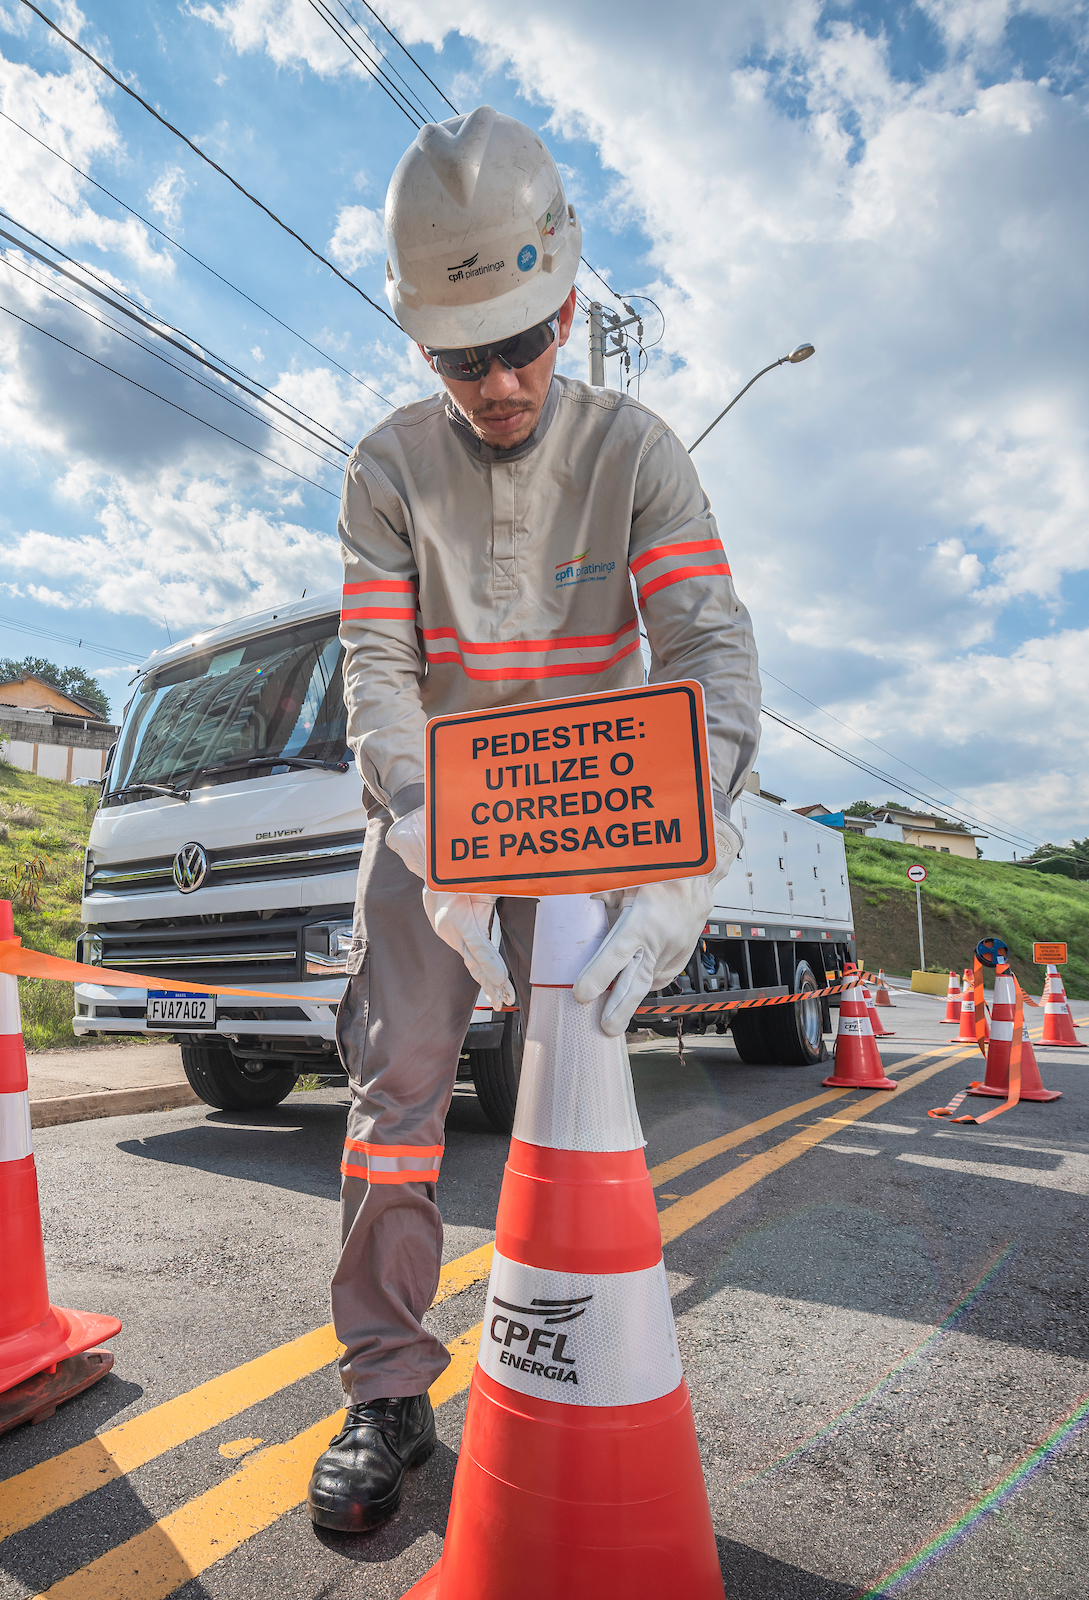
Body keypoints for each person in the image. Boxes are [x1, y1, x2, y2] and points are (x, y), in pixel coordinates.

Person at [309, 106, 765, 1534]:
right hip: (436, 830)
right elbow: (379, 668)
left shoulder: (639, 455)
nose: (499, 381)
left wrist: (693, 856)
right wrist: (427, 832)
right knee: (397, 1109)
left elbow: (706, 654)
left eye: (522, 344)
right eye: (462, 358)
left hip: (602, 832)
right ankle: (386, 1386)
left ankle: (583, 1376)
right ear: (419, 346)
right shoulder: (387, 471)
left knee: (581, 1110)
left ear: (569, 306)